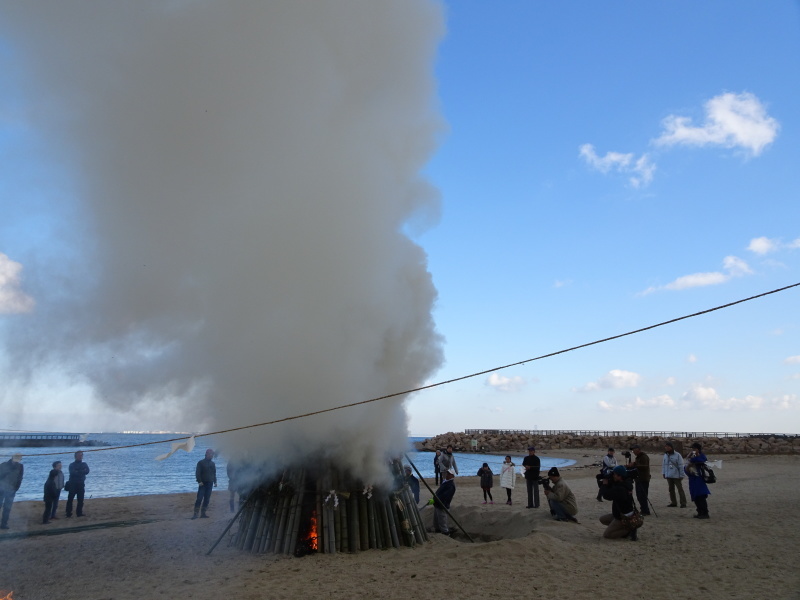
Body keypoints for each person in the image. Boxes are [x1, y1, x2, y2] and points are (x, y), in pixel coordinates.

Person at [599, 465, 639, 540]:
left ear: (620, 476)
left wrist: (604, 485)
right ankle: (623, 527)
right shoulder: (625, 482)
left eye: (614, 474)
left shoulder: (621, 489)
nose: (613, 476)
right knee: (602, 519)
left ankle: (629, 530)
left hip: (623, 517)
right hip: (619, 514)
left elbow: (606, 496)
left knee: (607, 534)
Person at [685, 442, 711, 519]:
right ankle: (699, 512)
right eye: (692, 449)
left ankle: (705, 513)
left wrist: (695, 457)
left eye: (694, 449)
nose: (693, 450)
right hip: (692, 480)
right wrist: (689, 458)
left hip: (699, 480)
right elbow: (686, 466)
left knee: (701, 496)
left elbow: (702, 460)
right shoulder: (690, 457)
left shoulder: (701, 456)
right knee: (696, 497)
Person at [0, 453, 24, 530]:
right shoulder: (3, 465)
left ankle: (4, 524)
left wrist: (16, 488)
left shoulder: (20, 466)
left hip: (12, 490)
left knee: (7, 508)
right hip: (1, 489)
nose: (16, 462)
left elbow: (20, 478)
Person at [193, 448, 217, 519]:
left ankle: (203, 513)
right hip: (203, 484)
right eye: (210, 454)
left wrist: (215, 482)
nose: (211, 456)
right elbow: (198, 473)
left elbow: (214, 473)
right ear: (206, 454)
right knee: (199, 499)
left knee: (207, 499)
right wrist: (199, 481)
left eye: (212, 454)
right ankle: (195, 514)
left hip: (210, 483)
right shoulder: (201, 463)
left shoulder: (213, 464)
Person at [627, 445, 651, 516]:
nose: (633, 452)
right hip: (638, 479)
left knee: (642, 495)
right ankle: (643, 509)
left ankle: (645, 510)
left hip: (643, 479)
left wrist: (635, 465)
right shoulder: (638, 457)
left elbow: (645, 467)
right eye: (632, 450)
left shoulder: (644, 457)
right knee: (639, 495)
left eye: (634, 450)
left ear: (638, 449)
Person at [662, 441, 687, 508]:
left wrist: (682, 475)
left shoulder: (677, 455)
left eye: (668, 446)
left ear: (671, 447)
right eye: (666, 446)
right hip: (669, 475)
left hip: (676, 475)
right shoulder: (665, 455)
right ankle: (673, 502)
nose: (666, 448)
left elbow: (681, 465)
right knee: (671, 489)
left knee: (680, 489)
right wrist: (664, 473)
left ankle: (683, 502)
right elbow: (664, 465)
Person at [65, 450, 90, 518]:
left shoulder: (84, 464)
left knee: (81, 499)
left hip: (81, 484)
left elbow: (87, 471)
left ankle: (79, 512)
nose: (81, 457)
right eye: (79, 455)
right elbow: (73, 473)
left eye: (81, 455)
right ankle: (68, 513)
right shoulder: (72, 465)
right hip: (73, 484)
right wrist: (82, 471)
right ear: (75, 456)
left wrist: (78, 471)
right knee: (70, 499)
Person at [431, 470, 456, 535]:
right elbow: (439, 492)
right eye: (447, 473)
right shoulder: (445, 482)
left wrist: (435, 499)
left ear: (452, 476)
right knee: (436, 523)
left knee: (442, 524)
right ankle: (438, 534)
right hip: (437, 505)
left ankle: (446, 535)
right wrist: (434, 499)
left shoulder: (450, 485)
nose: (447, 474)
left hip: (443, 506)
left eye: (449, 474)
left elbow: (444, 496)